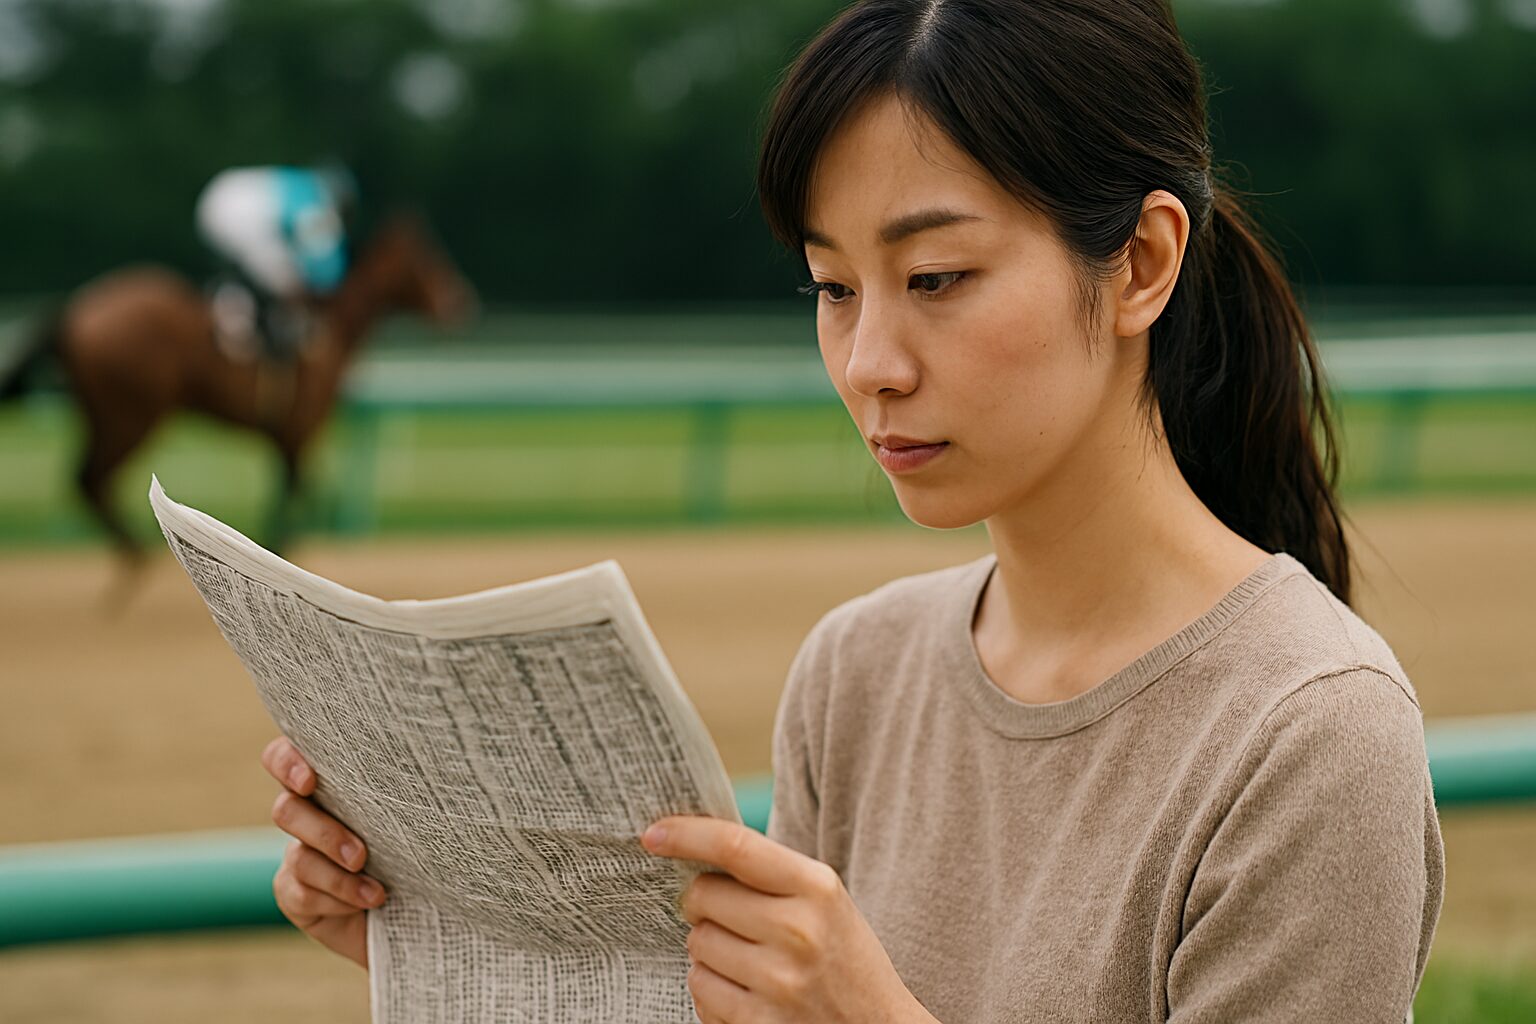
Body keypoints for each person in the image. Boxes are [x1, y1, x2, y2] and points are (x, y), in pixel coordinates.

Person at [258, 1, 1443, 1020]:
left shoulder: (1310, 734)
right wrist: (447, 935)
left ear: (1139, 263)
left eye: (935, 279)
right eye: (832, 287)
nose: (870, 359)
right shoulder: (857, 671)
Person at [195, 164, 355, 362]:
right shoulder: (315, 202)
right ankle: (243, 327)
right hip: (235, 217)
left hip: (215, 200)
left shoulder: (302, 185)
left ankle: (239, 313)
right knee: (288, 282)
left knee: (272, 273)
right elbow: (324, 266)